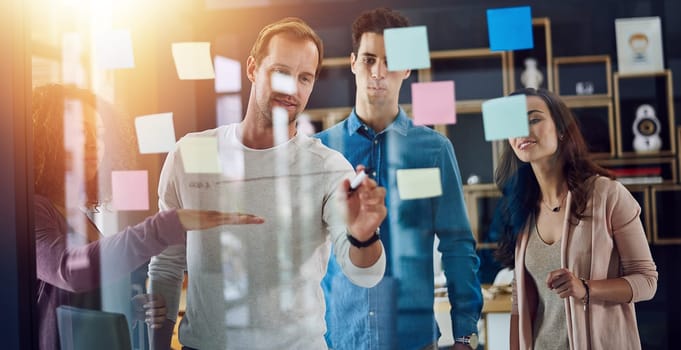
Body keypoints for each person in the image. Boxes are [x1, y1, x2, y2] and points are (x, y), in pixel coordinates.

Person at [147, 17, 387, 350]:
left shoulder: (328, 168)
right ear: (252, 68)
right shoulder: (191, 154)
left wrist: (364, 235)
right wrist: (157, 344)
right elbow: (167, 263)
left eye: (304, 78)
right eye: (281, 72)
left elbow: (365, 275)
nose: (292, 88)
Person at [32, 84, 264, 349]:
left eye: (99, 133)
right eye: (81, 131)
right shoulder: (33, 211)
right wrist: (164, 226)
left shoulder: (76, 214)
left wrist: (129, 308)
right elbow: (69, 271)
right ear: (47, 136)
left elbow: (83, 296)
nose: (95, 144)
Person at [316, 7, 482, 350]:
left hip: (414, 338)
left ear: (407, 68)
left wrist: (465, 334)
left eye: (390, 61)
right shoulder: (322, 150)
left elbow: (457, 246)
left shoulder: (433, 150)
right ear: (352, 62)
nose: (378, 72)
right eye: (368, 59)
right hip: (339, 338)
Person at [491, 88, 658, 349]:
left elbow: (647, 282)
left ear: (561, 130)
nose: (523, 130)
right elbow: (519, 302)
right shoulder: (521, 209)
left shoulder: (607, 195)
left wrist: (585, 288)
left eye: (534, 119)